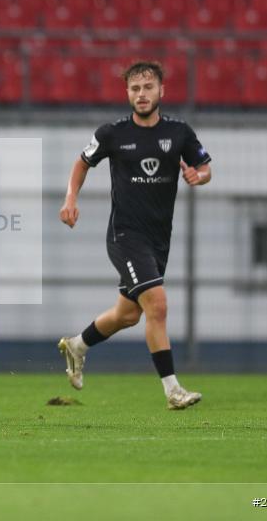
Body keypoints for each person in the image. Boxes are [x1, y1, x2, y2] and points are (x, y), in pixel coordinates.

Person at [57, 61, 212, 410]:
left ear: (162, 91)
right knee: (157, 304)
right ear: (127, 93)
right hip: (125, 235)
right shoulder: (113, 133)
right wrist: (71, 198)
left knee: (128, 314)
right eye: (135, 89)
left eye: (148, 87)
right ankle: (173, 390)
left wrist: (198, 178)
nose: (141, 95)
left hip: (159, 239)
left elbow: (205, 168)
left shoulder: (180, 133)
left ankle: (77, 345)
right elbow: (82, 162)